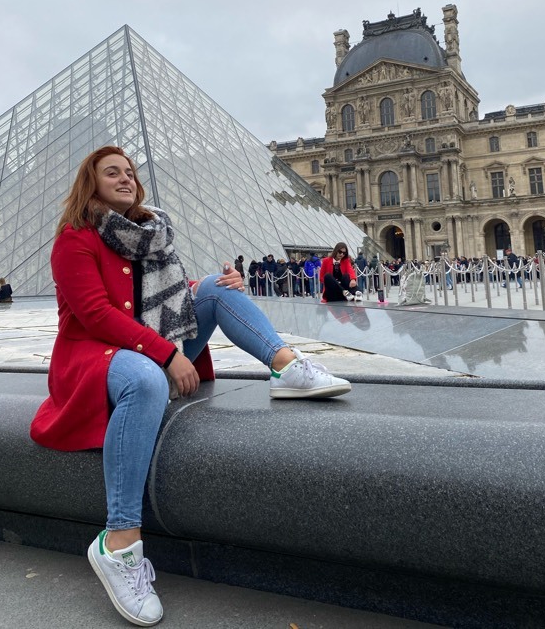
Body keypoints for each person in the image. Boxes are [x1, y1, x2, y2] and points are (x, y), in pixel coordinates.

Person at [29, 146, 350, 627]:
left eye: (130, 171)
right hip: (93, 355)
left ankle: (287, 367)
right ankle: (118, 545)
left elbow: (163, 295)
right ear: (89, 184)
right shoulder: (74, 240)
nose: (125, 178)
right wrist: (167, 353)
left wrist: (212, 285)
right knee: (143, 380)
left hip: (142, 343)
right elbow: (96, 315)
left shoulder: (148, 234)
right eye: (111, 172)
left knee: (217, 289)